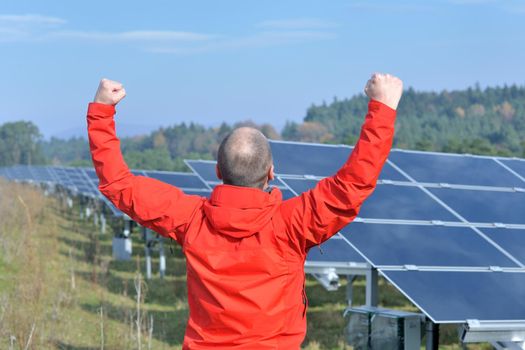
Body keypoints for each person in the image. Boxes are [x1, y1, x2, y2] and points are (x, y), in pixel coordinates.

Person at [87, 73, 403, 349]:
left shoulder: (190, 219)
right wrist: (382, 108)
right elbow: (352, 186)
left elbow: (119, 184)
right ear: (270, 173)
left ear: (217, 171)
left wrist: (101, 112)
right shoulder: (291, 224)